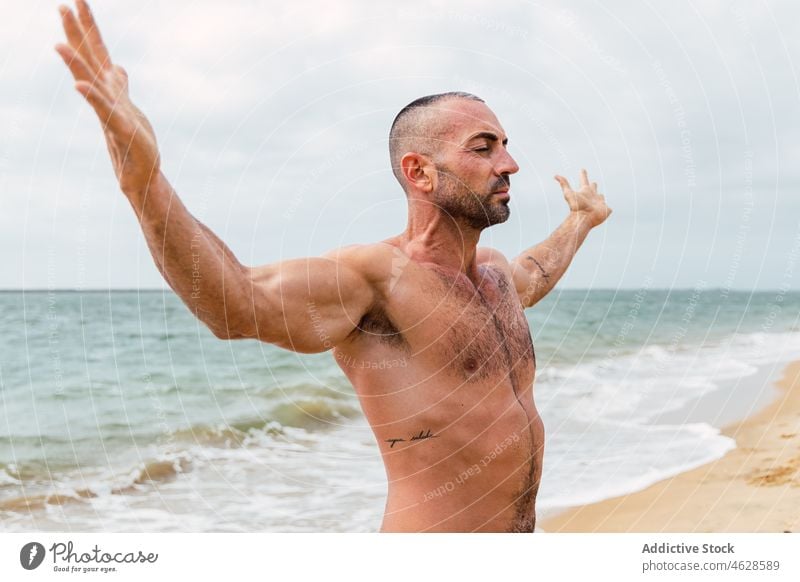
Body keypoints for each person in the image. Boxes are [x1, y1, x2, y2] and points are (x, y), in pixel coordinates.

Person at [55, 0, 612, 532]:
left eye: (505, 145)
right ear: (419, 172)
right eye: (484, 147)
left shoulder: (493, 275)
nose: (510, 164)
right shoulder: (376, 281)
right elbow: (234, 303)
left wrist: (580, 222)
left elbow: (534, 273)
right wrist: (145, 183)